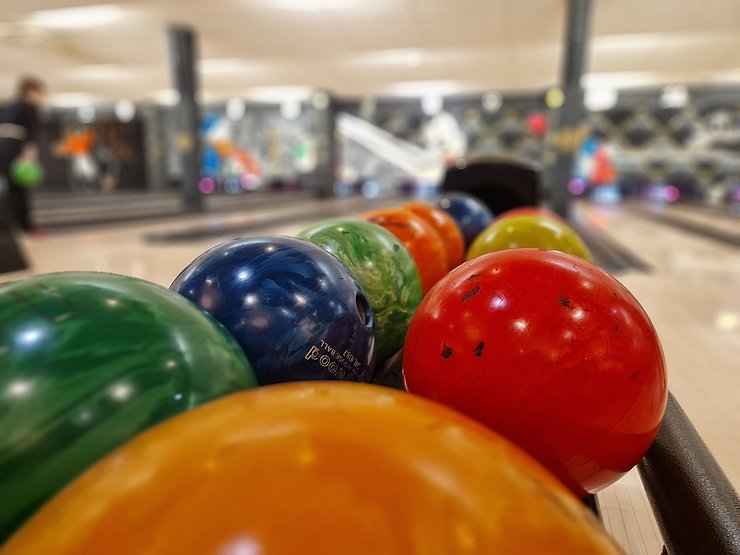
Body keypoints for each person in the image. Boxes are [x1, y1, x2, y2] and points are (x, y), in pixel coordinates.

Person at [0, 76, 46, 233]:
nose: (42, 97)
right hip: (14, 146)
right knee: (19, 187)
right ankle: (24, 225)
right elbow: (31, 135)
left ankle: (10, 224)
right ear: (31, 91)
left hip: (2, 146)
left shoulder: (8, 105)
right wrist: (29, 155)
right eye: (41, 93)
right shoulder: (29, 108)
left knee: (11, 187)